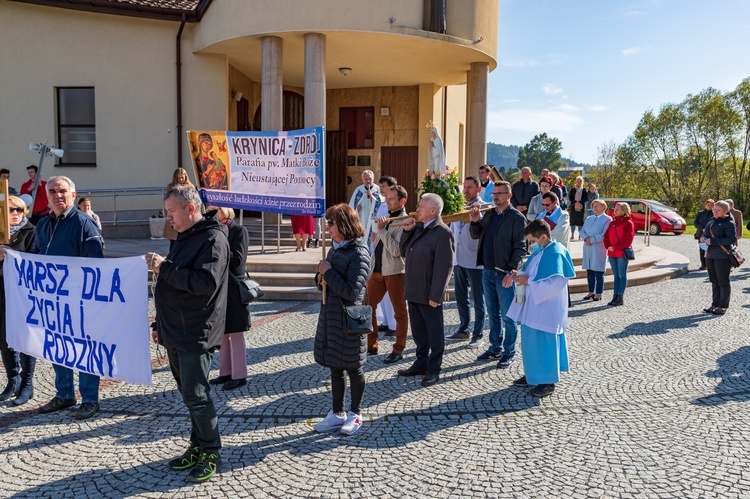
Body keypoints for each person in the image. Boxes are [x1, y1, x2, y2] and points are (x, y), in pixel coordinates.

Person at [146, 185, 229, 482]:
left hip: (196, 331)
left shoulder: (212, 238)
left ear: (190, 208)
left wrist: (164, 268)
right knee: (188, 394)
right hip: (176, 330)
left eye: (171, 211)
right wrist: (161, 325)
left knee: (197, 395)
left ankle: (211, 453)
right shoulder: (185, 236)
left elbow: (204, 282)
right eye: (167, 212)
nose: (167, 217)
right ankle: (197, 446)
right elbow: (174, 286)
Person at [35, 176, 104, 419]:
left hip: (80, 301)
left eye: (63, 191)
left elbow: (96, 265)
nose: (58, 195)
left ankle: (90, 399)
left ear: (73, 195)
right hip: (52, 301)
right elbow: (35, 259)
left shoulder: (84, 224)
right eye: (52, 191)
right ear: (48, 196)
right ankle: (64, 394)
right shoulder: (42, 225)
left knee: (85, 349)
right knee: (57, 347)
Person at [312, 204, 370, 435]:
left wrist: (328, 272)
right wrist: (319, 277)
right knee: (335, 366)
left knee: (353, 367)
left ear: (344, 225)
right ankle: (337, 414)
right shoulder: (335, 249)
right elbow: (326, 279)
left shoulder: (358, 252)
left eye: (331, 223)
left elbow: (352, 293)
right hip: (331, 317)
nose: (327, 227)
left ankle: (355, 413)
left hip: (349, 320)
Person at [507, 219, 575, 397]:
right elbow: (532, 273)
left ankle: (548, 382)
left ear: (543, 237)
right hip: (533, 307)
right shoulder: (540, 251)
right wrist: (519, 275)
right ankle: (533, 375)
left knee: (545, 344)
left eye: (532, 240)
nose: (531, 244)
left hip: (547, 309)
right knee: (531, 343)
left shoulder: (556, 253)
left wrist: (528, 281)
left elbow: (555, 283)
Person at [397, 193, 454, 387]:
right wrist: (406, 231)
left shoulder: (443, 232)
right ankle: (421, 362)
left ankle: (434, 369)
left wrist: (436, 295)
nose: (417, 208)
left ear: (433, 210)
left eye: (422, 206)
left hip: (429, 292)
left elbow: (445, 266)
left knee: (434, 333)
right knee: (419, 331)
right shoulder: (420, 228)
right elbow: (403, 251)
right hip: (414, 289)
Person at [469, 181, 527, 369]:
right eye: (494, 193)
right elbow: (475, 235)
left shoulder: (517, 218)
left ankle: (509, 351)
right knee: (493, 314)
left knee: (508, 315)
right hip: (487, 270)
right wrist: (475, 219)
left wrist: (512, 272)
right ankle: (495, 347)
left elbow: (520, 247)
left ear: (509, 196)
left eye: (499, 194)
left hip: (504, 274)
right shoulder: (490, 214)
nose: (495, 197)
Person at [208, 206, 250, 390]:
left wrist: (220, 248)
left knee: (236, 332)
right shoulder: (215, 231)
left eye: (214, 211)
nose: (210, 214)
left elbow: (239, 259)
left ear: (224, 211)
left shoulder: (239, 230)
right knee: (223, 331)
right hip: (220, 286)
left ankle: (239, 375)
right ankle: (225, 372)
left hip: (234, 287)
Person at [366, 185, 409, 363]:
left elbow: (397, 250)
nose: (388, 201)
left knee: (399, 312)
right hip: (377, 270)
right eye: (387, 198)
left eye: (391, 199)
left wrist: (382, 231)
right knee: (367, 307)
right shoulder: (387, 217)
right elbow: (381, 244)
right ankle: (371, 344)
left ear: (402, 201)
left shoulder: (405, 221)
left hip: (395, 272)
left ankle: (398, 349)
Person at [0, 196, 36, 405]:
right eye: (10, 210)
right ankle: (12, 381)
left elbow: (37, 258)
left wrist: (13, 255)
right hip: (2, 292)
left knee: (24, 339)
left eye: (19, 210)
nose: (15, 213)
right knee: (4, 338)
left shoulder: (31, 231)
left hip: (23, 294)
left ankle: (27, 384)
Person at [447, 176, 488, 349]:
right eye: (464, 187)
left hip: (475, 260)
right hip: (458, 258)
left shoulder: (486, 207)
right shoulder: (459, 206)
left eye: (470, 187)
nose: (466, 190)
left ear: (478, 189)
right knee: (461, 297)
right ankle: (464, 328)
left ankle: (478, 334)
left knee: (478, 299)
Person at [371, 176, 398, 337]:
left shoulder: (393, 206)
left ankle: (394, 325)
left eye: (384, 186)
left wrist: (379, 233)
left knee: (391, 292)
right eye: (380, 186)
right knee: (383, 293)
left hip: (388, 249)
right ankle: (387, 321)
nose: (381, 188)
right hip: (378, 246)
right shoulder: (382, 203)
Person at [699, 200, 737, 315]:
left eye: (718, 210)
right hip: (710, 255)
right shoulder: (711, 221)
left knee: (723, 282)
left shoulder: (729, 223)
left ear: (725, 211)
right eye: (714, 209)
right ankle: (715, 304)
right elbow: (706, 233)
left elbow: (731, 239)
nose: (714, 211)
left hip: (722, 256)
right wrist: (703, 237)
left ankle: (723, 306)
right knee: (714, 281)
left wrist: (713, 241)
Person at [603, 202, 636, 307]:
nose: (615, 211)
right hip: (612, 253)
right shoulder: (612, 223)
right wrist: (607, 245)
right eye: (615, 209)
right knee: (616, 276)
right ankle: (615, 296)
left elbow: (628, 241)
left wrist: (615, 247)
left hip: (621, 253)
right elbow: (606, 236)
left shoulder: (628, 223)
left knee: (622, 275)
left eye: (617, 209)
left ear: (624, 210)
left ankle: (620, 296)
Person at [579, 199, 611, 301]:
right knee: (590, 272)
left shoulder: (607, 219)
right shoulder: (589, 218)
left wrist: (591, 240)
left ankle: (598, 292)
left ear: (603, 207)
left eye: (597, 206)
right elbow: (582, 230)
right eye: (593, 206)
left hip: (598, 247)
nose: (595, 208)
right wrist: (585, 238)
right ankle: (590, 291)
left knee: (598, 272)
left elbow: (604, 234)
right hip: (588, 247)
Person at [348, 170, 381, 251]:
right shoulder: (359, 190)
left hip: (374, 220)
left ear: (373, 179)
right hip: (362, 218)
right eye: (365, 179)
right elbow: (352, 206)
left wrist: (371, 197)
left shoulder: (378, 190)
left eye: (370, 179)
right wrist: (356, 209)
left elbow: (381, 204)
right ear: (362, 180)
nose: (368, 181)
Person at [694, 199, 715, 270]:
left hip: (711, 233)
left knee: (710, 249)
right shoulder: (700, 213)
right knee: (702, 248)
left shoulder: (714, 214)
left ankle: (710, 264)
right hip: (701, 233)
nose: (709, 206)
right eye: (708, 205)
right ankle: (703, 264)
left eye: (711, 205)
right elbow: (696, 223)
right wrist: (702, 228)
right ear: (705, 205)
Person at [568, 176, 588, 240]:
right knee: (573, 220)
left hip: (581, 207)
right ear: (576, 181)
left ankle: (580, 235)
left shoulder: (584, 190)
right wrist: (575, 202)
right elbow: (570, 197)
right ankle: (572, 234)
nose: (579, 182)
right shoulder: (573, 189)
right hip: (573, 206)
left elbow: (585, 198)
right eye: (578, 181)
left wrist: (579, 202)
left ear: (582, 182)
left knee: (580, 221)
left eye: (580, 181)